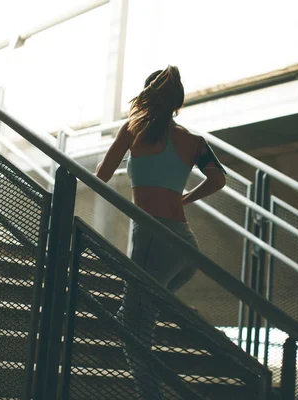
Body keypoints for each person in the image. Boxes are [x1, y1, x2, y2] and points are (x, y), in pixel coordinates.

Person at [95, 65, 226, 398]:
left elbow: (102, 175)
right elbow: (218, 179)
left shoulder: (133, 129)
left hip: (152, 240)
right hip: (185, 246)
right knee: (138, 316)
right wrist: (185, 197)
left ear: (147, 96)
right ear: (177, 103)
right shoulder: (194, 141)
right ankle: (129, 311)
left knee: (134, 341)